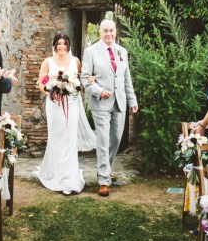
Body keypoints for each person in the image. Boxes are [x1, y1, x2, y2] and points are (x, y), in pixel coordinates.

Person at [81, 20, 138, 197]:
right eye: (105, 31)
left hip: (119, 103)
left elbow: (126, 79)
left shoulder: (122, 52)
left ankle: (104, 169)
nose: (109, 34)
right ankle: (104, 181)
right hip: (100, 104)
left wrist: (132, 100)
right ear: (100, 32)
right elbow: (84, 78)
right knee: (103, 141)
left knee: (115, 139)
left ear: (115, 32)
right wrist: (98, 91)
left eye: (111, 31)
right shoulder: (91, 52)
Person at [35, 34, 95, 195]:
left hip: (73, 103)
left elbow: (80, 79)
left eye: (64, 44)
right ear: (54, 45)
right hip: (54, 104)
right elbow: (40, 83)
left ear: (68, 45)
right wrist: (50, 91)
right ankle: (56, 175)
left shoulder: (75, 61)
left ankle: (70, 179)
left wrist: (79, 84)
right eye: (59, 44)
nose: (62, 46)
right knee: (56, 137)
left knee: (70, 138)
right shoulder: (48, 62)